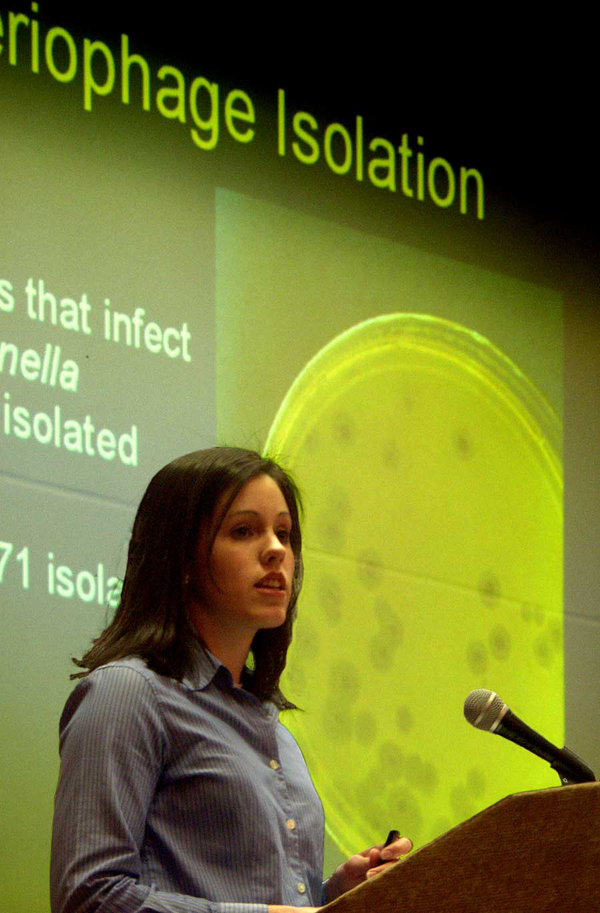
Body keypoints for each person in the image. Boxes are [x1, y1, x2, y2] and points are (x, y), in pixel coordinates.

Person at [50, 447, 411, 913]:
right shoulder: (127, 695)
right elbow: (88, 898)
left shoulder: (274, 731)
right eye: (244, 531)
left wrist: (338, 896)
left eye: (284, 533)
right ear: (180, 559)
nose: (277, 549)